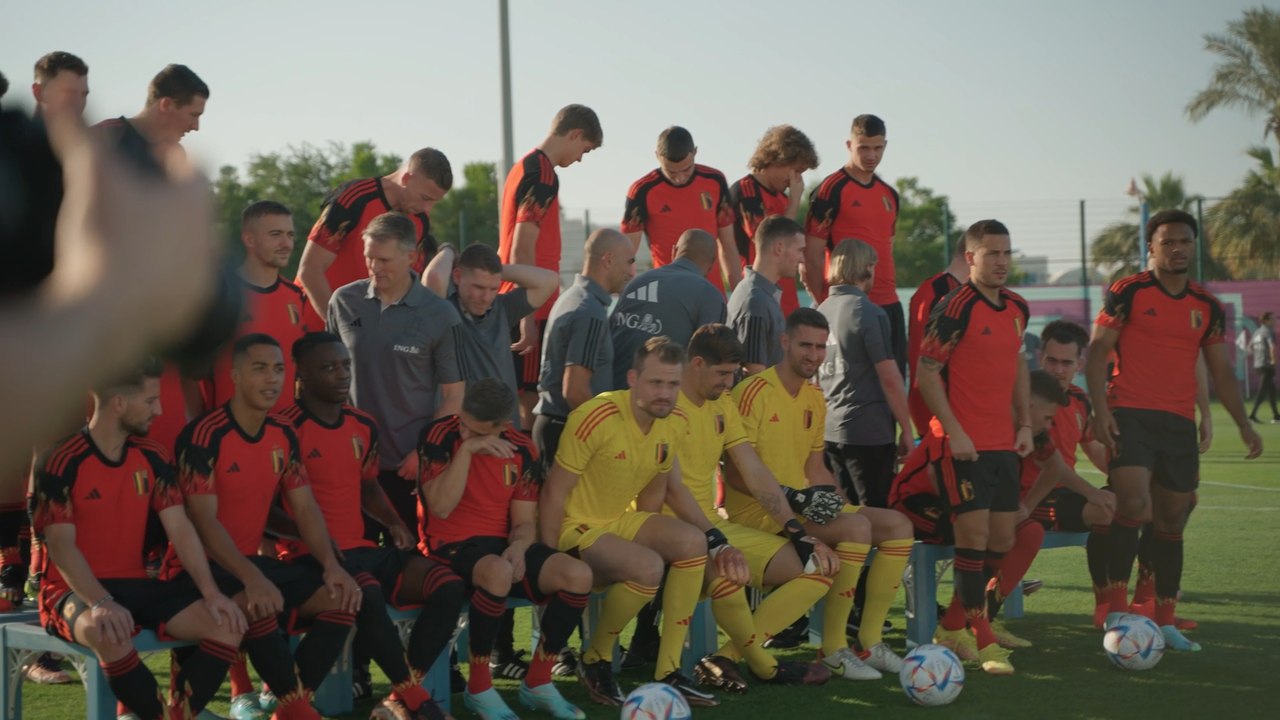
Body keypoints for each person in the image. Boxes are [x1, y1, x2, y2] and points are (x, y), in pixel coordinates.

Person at [1086, 209, 1263, 652]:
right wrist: (1100, 410)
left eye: (1185, 241)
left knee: (1170, 521)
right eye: (1168, 242)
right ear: (1151, 248)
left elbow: (1221, 371)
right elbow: (1097, 352)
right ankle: (1115, 609)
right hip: (1130, 413)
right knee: (1131, 503)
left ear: (1194, 246)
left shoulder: (1207, 306)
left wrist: (1243, 425)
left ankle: (1164, 619)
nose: (1178, 249)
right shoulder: (1127, 291)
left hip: (1178, 423)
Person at [32, 358, 246, 719]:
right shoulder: (61, 459)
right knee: (108, 631)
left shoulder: (152, 455)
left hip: (137, 585)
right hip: (71, 590)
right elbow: (61, 546)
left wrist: (211, 592)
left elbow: (180, 528)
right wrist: (100, 600)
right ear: (119, 403)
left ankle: (177, 714)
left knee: (227, 622)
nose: (159, 410)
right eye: (150, 401)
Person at [539, 338, 742, 707]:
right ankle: (595, 658)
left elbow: (659, 492)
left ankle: (669, 670)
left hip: (619, 521)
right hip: (575, 525)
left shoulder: (672, 422)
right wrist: (547, 558)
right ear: (633, 379)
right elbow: (554, 493)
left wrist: (712, 538)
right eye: (655, 382)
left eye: (672, 384)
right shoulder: (596, 416)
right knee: (647, 566)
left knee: (692, 542)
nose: (665, 393)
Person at [172, 333, 363, 718]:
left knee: (341, 598)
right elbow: (204, 521)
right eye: (259, 369)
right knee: (255, 602)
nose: (271, 378)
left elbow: (305, 507)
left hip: (249, 564)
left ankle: (288, 705)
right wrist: (252, 577)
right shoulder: (204, 435)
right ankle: (296, 709)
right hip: (198, 569)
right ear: (235, 375)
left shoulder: (282, 432)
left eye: (278, 369)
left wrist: (331, 565)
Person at [274, 332, 462, 720]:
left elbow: (368, 484)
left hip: (362, 550)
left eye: (345, 365)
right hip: (310, 558)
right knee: (365, 592)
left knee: (448, 585)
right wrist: (311, 537)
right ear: (302, 374)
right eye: (328, 367)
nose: (342, 374)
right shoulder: (283, 430)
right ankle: (414, 698)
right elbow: (265, 509)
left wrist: (393, 522)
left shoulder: (362, 423)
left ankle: (398, 695)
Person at [725, 309, 916, 678]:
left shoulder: (814, 396)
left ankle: (870, 642)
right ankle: (833, 648)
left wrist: (835, 501)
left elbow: (815, 469)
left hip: (798, 508)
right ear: (784, 342)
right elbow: (734, 473)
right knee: (856, 529)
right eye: (805, 345)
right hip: (757, 514)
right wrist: (796, 498)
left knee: (897, 525)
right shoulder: (752, 391)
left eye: (819, 346)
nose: (813, 355)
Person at [673, 324, 836, 690]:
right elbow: (670, 489)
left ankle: (724, 658)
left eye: (733, 373)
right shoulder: (667, 403)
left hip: (713, 526)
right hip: (671, 529)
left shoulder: (722, 404)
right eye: (722, 374)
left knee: (817, 568)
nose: (729, 383)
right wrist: (714, 540)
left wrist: (796, 532)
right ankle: (765, 666)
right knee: (729, 575)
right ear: (696, 364)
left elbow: (754, 471)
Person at [419, 379, 591, 720]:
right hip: (446, 547)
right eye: (464, 424)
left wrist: (520, 546)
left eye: (476, 431)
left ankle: (538, 680)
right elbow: (440, 507)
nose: (465, 432)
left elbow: (524, 522)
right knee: (497, 572)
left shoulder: (522, 448)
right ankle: (479, 688)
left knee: (577, 574)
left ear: (504, 426)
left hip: (499, 546)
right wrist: (467, 450)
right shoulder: (440, 434)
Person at [917, 219, 1032, 675]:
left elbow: (1019, 366)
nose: (1002, 262)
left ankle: (950, 626)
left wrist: (1025, 423)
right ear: (971, 258)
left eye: (1007, 253)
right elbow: (926, 374)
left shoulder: (1017, 307)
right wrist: (955, 431)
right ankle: (982, 639)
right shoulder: (955, 307)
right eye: (992, 254)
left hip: (1004, 444)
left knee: (1002, 539)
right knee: (974, 538)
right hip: (963, 447)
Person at [328, 211, 465, 545]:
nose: (375, 268)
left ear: (411, 257)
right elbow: (325, 378)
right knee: (355, 558)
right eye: (369, 258)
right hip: (352, 464)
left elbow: (453, 397)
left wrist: (423, 452)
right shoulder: (344, 302)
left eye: (384, 260)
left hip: (408, 464)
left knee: (409, 560)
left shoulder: (440, 314)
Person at [499, 104, 603, 430]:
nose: (581, 158)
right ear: (575, 134)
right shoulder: (542, 175)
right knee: (530, 400)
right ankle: (529, 462)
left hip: (514, 296)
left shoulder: (522, 167)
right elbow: (522, 246)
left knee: (518, 397)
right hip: (532, 303)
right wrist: (527, 317)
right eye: (584, 149)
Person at [296, 148, 453, 328]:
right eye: (425, 198)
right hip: (312, 326)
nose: (428, 208)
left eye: (434, 201)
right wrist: (340, 327)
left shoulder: (420, 220)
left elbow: (405, 286)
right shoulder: (356, 197)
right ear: (406, 179)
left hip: (364, 333)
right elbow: (310, 270)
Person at [803, 114, 905, 377]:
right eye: (863, 148)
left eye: (877, 148)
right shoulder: (831, 190)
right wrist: (825, 306)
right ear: (849, 145)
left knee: (893, 385)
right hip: (849, 306)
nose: (871, 155)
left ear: (885, 146)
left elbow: (888, 249)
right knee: (852, 387)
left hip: (889, 304)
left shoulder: (889, 194)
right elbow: (811, 257)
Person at [818, 239, 913, 508]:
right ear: (868, 267)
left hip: (829, 430)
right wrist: (906, 430)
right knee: (876, 515)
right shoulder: (869, 312)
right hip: (868, 432)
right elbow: (890, 378)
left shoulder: (819, 311)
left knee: (845, 516)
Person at [532, 229, 635, 466]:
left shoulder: (573, 297)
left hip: (557, 427)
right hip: (567, 431)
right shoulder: (589, 310)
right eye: (629, 262)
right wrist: (607, 435)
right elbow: (575, 391)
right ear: (608, 259)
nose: (632, 271)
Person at [422, 243, 559, 422]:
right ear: (457, 276)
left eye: (493, 288)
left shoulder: (502, 308)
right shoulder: (445, 310)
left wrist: (495, 270)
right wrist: (448, 249)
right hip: (462, 429)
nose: (486, 297)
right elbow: (433, 277)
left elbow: (549, 281)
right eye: (479, 287)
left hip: (505, 429)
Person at [205, 201, 308, 412]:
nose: (286, 244)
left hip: (284, 427)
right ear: (249, 239)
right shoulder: (218, 295)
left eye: (290, 235)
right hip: (228, 427)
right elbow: (192, 375)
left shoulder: (296, 296)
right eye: (275, 234)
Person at [621, 126, 741, 293]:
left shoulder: (715, 181)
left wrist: (738, 293)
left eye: (686, 170)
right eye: (671, 172)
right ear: (657, 156)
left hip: (710, 291)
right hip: (667, 292)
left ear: (695, 152)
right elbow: (626, 254)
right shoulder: (642, 191)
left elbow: (728, 246)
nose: (679, 178)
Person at [609, 229, 727, 389]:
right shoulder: (710, 296)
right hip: (662, 397)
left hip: (611, 393)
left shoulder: (637, 283)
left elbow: (610, 336)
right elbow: (708, 363)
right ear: (712, 264)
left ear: (674, 252)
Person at [728, 125, 820, 316]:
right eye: (796, 170)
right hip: (758, 302)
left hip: (786, 301)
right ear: (779, 158)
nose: (797, 179)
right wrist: (794, 202)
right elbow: (771, 243)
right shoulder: (746, 191)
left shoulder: (782, 198)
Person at [726, 216, 806, 375]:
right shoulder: (755, 301)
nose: (802, 259)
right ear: (779, 248)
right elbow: (755, 376)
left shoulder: (761, 295)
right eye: (800, 250)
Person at [906, 235, 966, 437]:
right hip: (942, 417)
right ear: (972, 256)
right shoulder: (946, 292)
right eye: (993, 254)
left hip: (931, 411)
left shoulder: (931, 288)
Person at [1249, 311, 1278, 423]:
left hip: (1258, 364)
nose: (1274, 320)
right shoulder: (1268, 331)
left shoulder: (1257, 332)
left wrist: (1258, 355)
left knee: (1271, 391)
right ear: (1265, 321)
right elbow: (1272, 346)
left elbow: (1250, 347)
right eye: (1272, 319)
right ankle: (1252, 415)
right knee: (1262, 391)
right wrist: (1273, 360)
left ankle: (1276, 416)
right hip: (1266, 365)